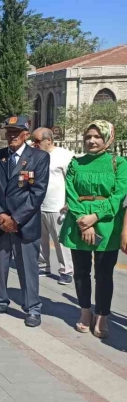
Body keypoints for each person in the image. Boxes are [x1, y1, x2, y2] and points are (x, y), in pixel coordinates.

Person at [0, 116, 49, 328]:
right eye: (8, 131)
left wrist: (16, 219)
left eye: (16, 131)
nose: (11, 135)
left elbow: (37, 194)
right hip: (0, 223)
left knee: (27, 267)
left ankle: (32, 308)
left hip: (25, 224)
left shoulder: (38, 157)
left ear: (26, 134)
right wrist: (1, 215)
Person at [60, 120, 126, 339]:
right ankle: (85, 311)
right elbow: (70, 193)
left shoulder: (120, 163)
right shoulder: (76, 163)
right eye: (88, 136)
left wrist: (94, 217)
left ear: (108, 138)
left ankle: (103, 315)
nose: (92, 141)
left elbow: (118, 196)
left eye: (97, 136)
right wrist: (82, 219)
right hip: (78, 223)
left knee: (104, 274)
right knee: (80, 272)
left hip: (107, 225)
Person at [31, 127, 74, 285]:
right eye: (33, 140)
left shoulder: (64, 156)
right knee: (40, 238)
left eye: (37, 141)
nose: (34, 144)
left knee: (60, 241)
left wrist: (69, 202)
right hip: (38, 205)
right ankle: (43, 265)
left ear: (48, 140)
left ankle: (66, 270)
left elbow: (72, 182)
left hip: (57, 206)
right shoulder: (34, 156)